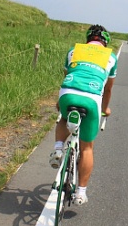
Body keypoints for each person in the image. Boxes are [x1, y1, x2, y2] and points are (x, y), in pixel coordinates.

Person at [50, 24, 117, 205]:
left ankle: (57, 149)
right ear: (105, 41)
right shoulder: (110, 57)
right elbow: (108, 89)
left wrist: (60, 101)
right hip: (91, 98)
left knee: (64, 117)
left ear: (88, 39)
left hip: (68, 93)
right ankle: (81, 192)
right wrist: (105, 109)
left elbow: (67, 76)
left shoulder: (74, 51)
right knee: (87, 148)